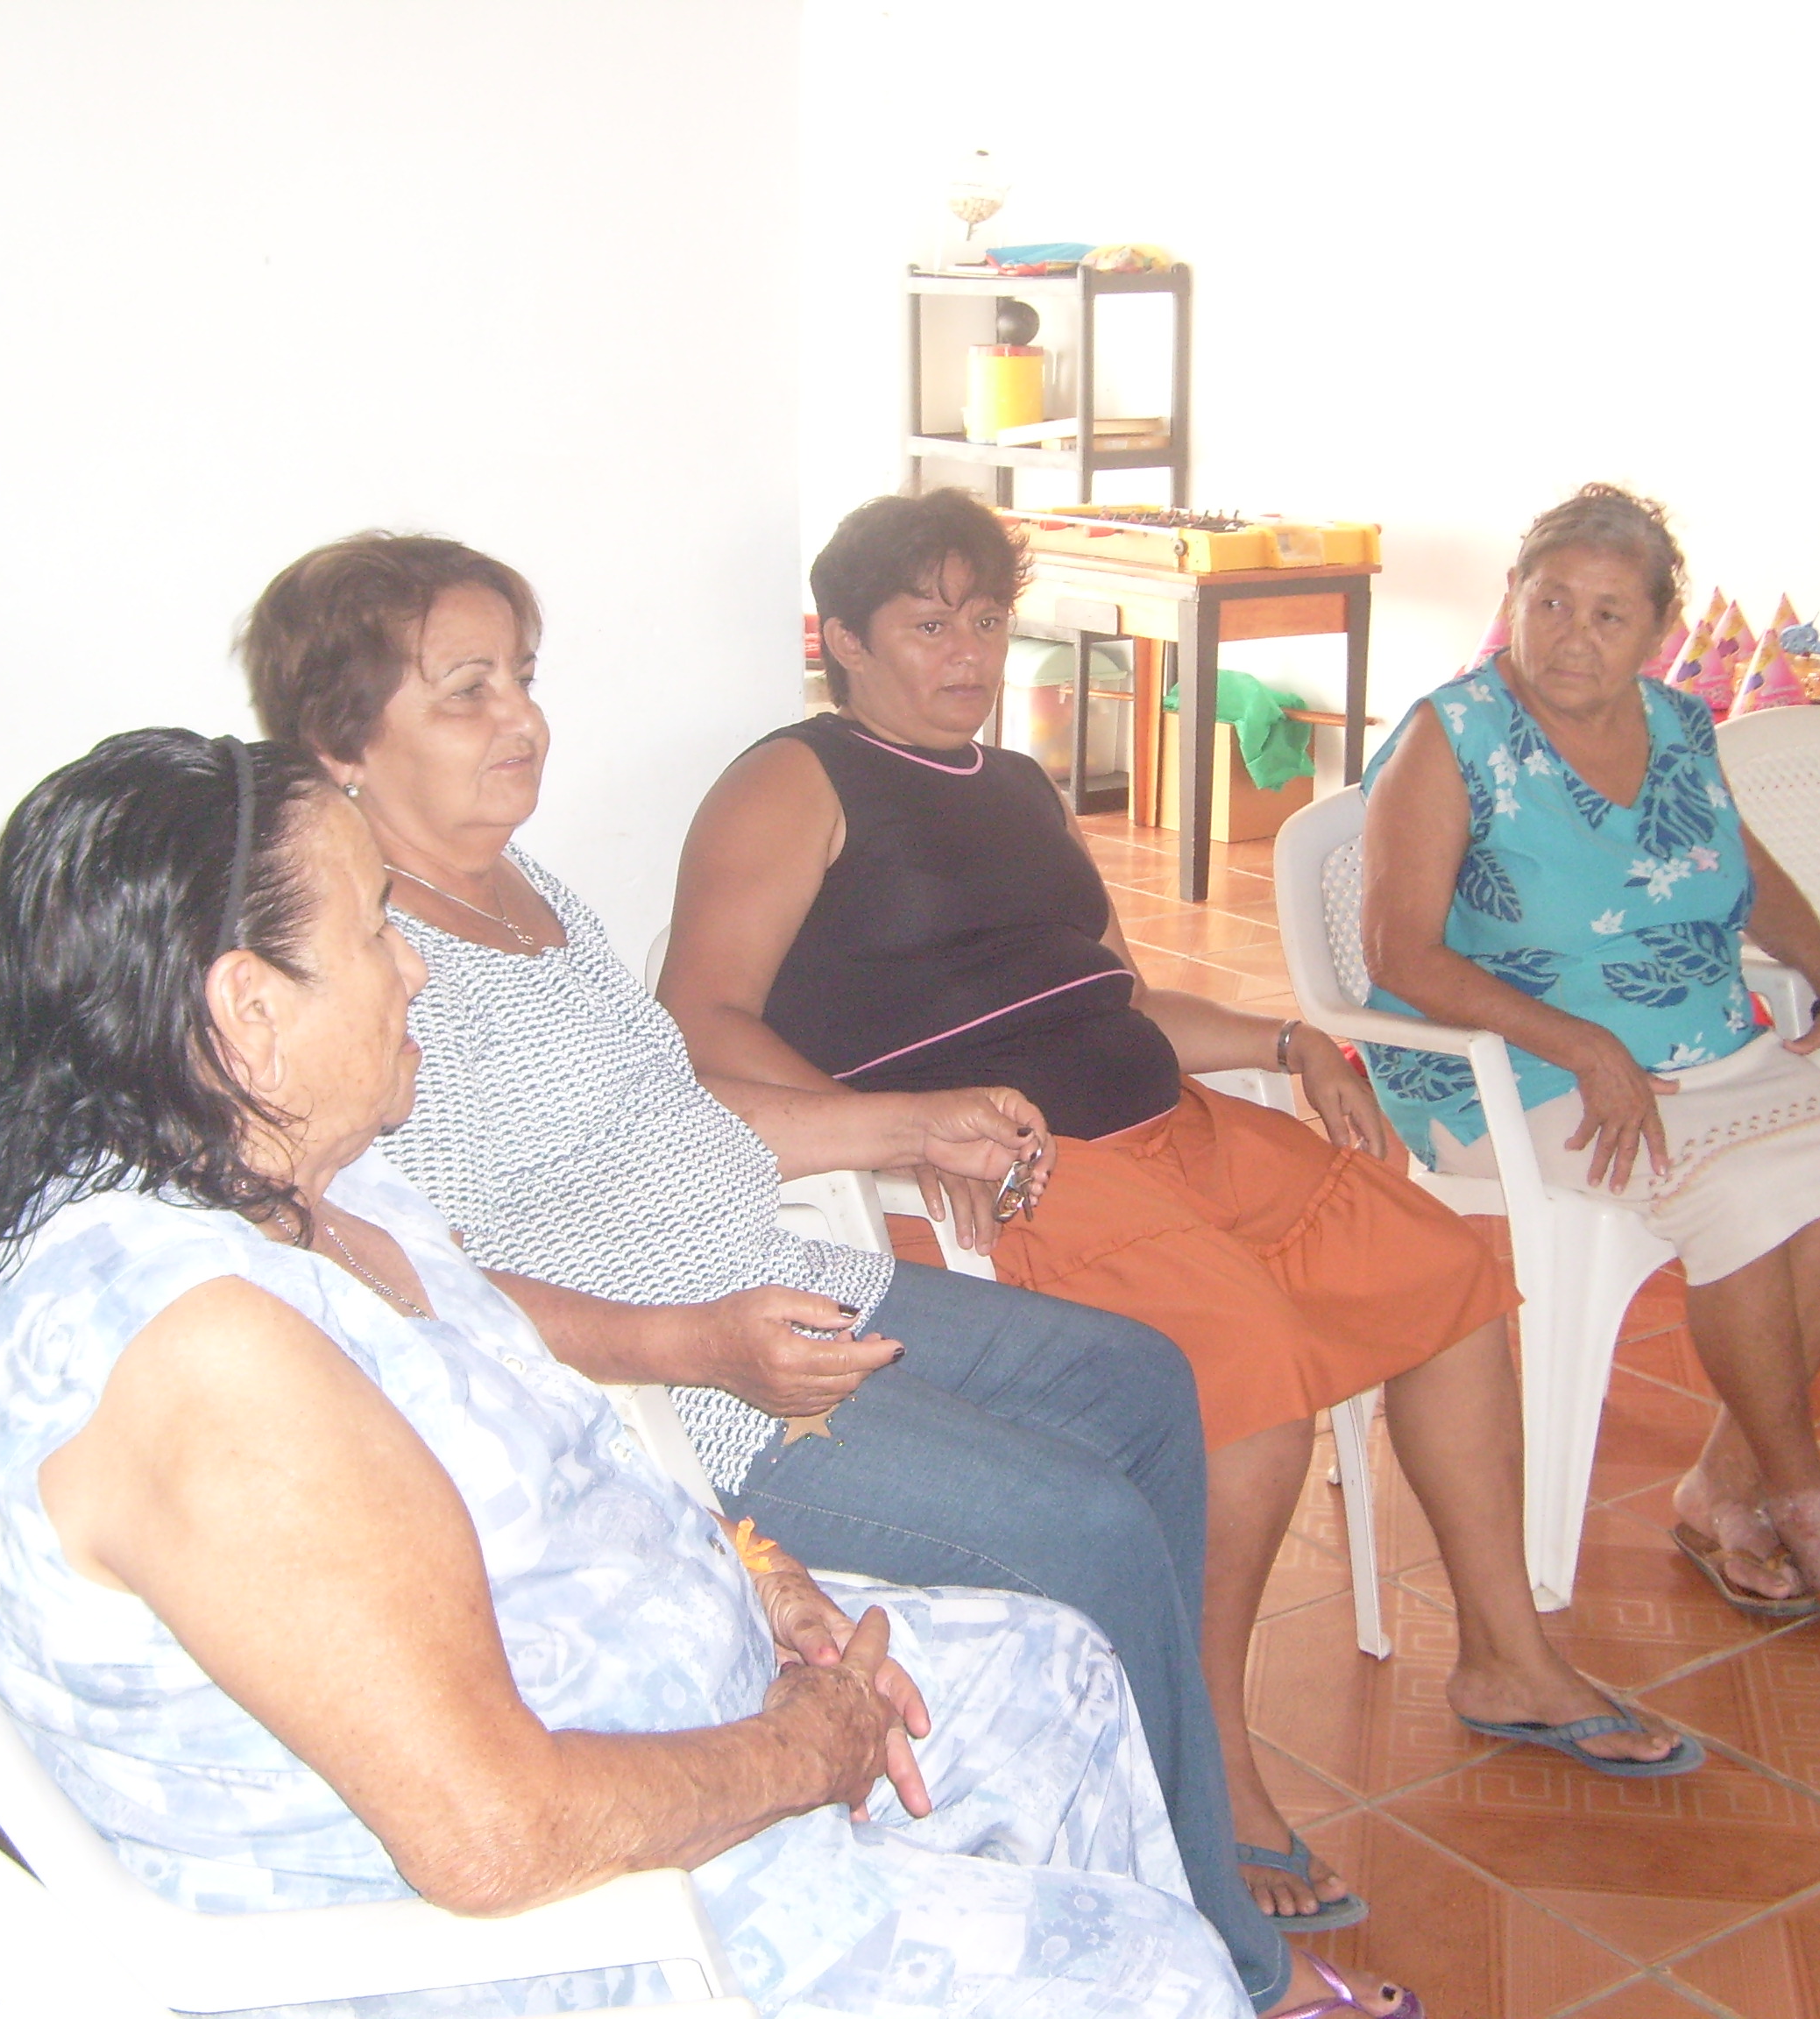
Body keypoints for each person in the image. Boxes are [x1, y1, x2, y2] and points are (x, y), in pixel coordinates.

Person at [0, 727, 1268, 2018]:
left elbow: (553, 1450)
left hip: (674, 1730)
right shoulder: (200, 1361)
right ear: (249, 1011)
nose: (416, 969)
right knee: (1158, 1974)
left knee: (1059, 1675)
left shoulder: (321, 1188)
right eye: (377, 930)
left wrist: (757, 1574)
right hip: (570, 1932)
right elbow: (491, 1836)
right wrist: (802, 1752)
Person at [237, 535, 1407, 2019]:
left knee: (1137, 1378)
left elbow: (680, 1109)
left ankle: (1150, 1807)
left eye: (521, 678)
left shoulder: (525, 890)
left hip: (771, 1268)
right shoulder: (354, 974)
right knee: (1086, 1526)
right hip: (678, 1383)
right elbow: (417, 1282)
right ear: (342, 739)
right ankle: (1228, 1951)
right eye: (465, 691)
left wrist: (911, 1124)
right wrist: (693, 1343)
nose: (522, 718)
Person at [659, 489, 1704, 1937]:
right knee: (1245, 1378)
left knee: (1444, 1271)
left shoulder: (1019, 786)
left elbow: (1122, 998)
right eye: (927, 625)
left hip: (1170, 1130)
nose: (966, 653)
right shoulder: (799, 779)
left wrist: (1288, 1039)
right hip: (1023, 1174)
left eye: (986, 620)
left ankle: (1507, 1661)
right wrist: (896, 1130)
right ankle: (1208, 1767)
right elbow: (697, 1016)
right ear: (840, 638)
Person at [1356, 484, 1820, 1638]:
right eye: (1551, 602)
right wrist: (1579, 1042)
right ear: (1514, 598)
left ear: (1661, 630)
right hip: (1508, 1065)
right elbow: (1397, 951)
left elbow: (1748, 878)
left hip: (1695, 1043)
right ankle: (1804, 1501)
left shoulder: (1677, 726)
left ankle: (1725, 1485)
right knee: (1736, 1197)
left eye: (1610, 614)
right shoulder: (1453, 735)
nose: (1573, 636)